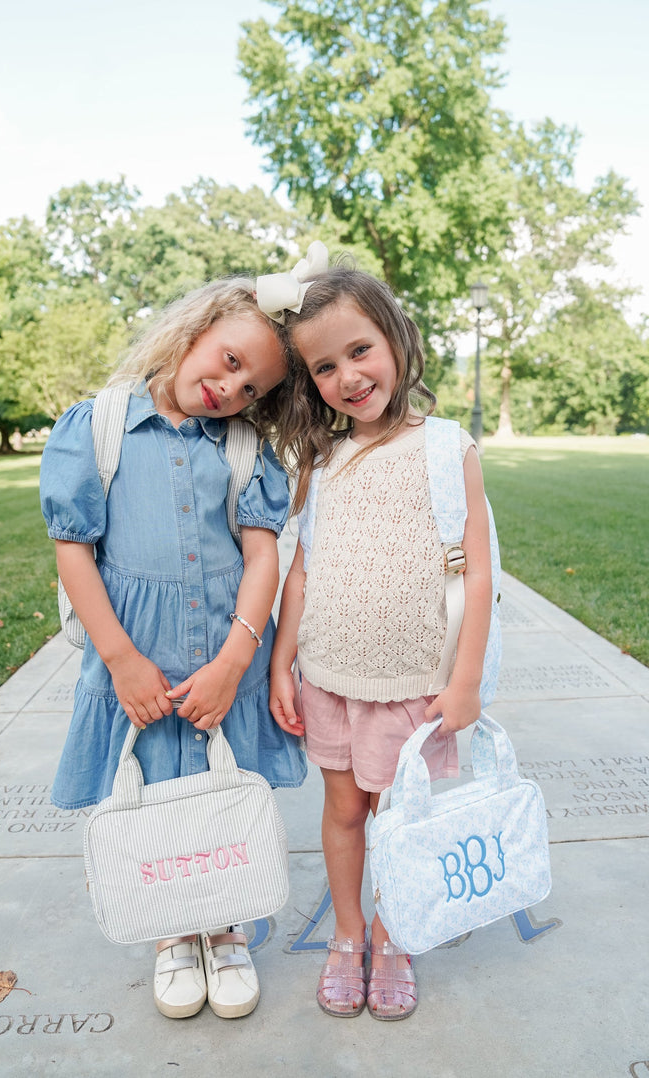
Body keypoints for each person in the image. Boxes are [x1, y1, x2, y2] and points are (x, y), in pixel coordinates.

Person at [40, 276, 306, 1022]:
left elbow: (262, 557)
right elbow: (74, 553)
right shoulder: (97, 427)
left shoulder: (246, 447)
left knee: (223, 795)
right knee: (154, 796)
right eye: (226, 361)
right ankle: (170, 933)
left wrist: (234, 661)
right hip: (140, 658)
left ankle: (226, 929)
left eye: (250, 386)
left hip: (224, 655)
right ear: (193, 329)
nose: (228, 387)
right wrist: (122, 659)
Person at [262, 255, 493, 1021]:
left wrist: (463, 681)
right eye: (324, 367)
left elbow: (479, 574)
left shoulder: (446, 448)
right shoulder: (321, 460)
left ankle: (394, 935)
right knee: (344, 811)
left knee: (402, 817)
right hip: (329, 675)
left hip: (415, 684)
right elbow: (299, 573)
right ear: (309, 381)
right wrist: (280, 665)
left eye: (359, 350)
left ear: (394, 338)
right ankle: (348, 934)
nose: (348, 377)